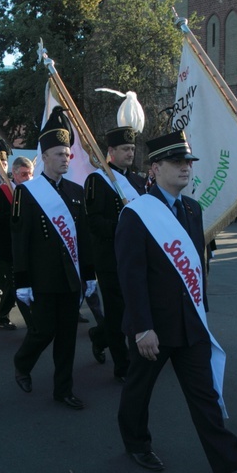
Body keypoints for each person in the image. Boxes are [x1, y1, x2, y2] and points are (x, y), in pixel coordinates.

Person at [115, 130, 237, 473]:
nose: (186, 168)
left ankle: (229, 465)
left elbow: (198, 266)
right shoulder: (136, 214)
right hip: (153, 326)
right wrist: (142, 327)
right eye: (177, 162)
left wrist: (201, 308)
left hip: (190, 323)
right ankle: (136, 443)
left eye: (188, 162)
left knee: (205, 397)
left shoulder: (192, 208)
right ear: (154, 168)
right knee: (138, 391)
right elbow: (132, 277)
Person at [11, 107, 96, 410]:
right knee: (44, 331)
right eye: (60, 154)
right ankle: (22, 362)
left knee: (68, 338)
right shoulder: (27, 192)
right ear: (44, 156)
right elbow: (20, 240)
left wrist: (89, 274)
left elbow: (83, 236)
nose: (65, 159)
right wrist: (22, 282)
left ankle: (63, 389)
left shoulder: (76, 190)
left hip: (70, 277)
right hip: (43, 277)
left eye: (68, 154)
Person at [84, 125, 147, 382]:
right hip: (110, 258)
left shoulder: (137, 180)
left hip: (135, 256)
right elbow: (94, 222)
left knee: (132, 308)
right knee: (117, 311)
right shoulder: (97, 180)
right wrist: (123, 224)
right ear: (111, 151)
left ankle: (99, 336)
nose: (130, 153)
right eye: (125, 149)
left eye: (132, 148)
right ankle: (122, 365)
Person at [0, 156, 35, 331]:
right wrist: (14, 218)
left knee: (24, 280)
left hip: (27, 245)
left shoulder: (32, 190)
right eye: (24, 174)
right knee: (13, 284)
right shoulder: (2, 191)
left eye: (30, 174)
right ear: (14, 173)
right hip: (7, 247)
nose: (28, 177)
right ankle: (4, 316)